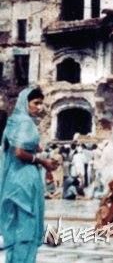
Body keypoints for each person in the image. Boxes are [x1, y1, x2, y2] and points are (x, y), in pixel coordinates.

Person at [0, 87, 58, 263]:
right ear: (25, 103)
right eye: (36, 103)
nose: (39, 107)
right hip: (24, 180)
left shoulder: (14, 121)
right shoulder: (26, 123)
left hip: (12, 180)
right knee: (27, 227)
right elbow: (19, 152)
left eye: (41, 103)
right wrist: (42, 162)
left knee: (16, 226)